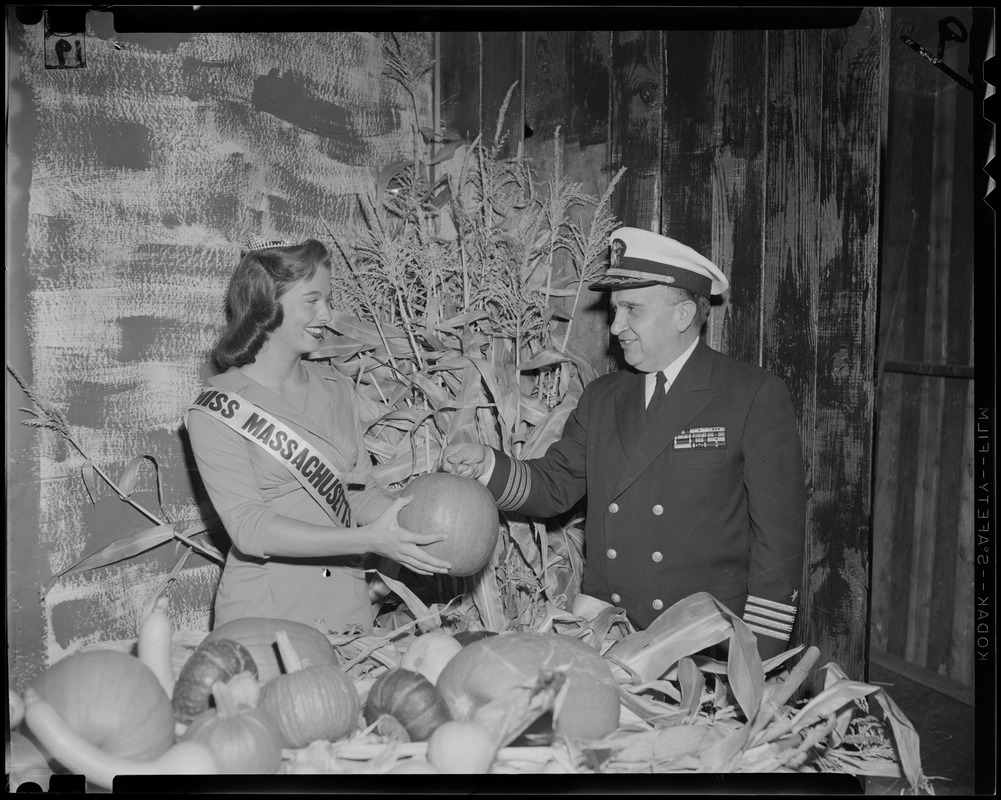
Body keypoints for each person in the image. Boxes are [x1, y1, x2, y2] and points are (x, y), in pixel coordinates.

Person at [443, 227, 807, 660]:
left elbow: (778, 542)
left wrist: (757, 657)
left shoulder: (750, 395)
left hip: (705, 646)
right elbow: (555, 485)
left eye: (632, 309)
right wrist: (488, 465)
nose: (616, 327)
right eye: (616, 310)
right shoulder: (604, 397)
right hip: (608, 636)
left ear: (684, 314)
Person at [186, 238, 451, 631]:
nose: (327, 314)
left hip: (348, 611)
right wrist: (368, 542)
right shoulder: (216, 409)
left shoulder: (336, 388)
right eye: (312, 300)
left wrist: (428, 516)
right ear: (266, 304)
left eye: (328, 300)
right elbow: (249, 527)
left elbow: (361, 495)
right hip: (267, 616)